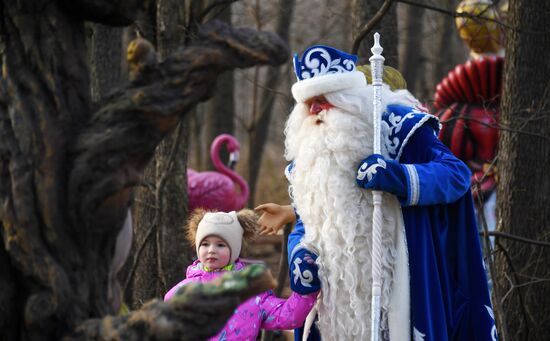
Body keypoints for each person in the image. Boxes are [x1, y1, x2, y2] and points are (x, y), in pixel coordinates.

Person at [258, 44, 497, 340]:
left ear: (347, 99)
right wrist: (299, 253)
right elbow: (308, 222)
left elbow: (456, 176)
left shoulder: (397, 129)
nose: (315, 109)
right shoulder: (306, 159)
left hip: (399, 287)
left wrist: (399, 177)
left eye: (324, 100)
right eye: (308, 103)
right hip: (334, 307)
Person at [164, 209, 319, 341]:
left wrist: (305, 288)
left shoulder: (253, 292)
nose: (211, 250)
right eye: (205, 244)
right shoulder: (180, 293)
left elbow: (288, 316)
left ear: (235, 248)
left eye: (220, 245)